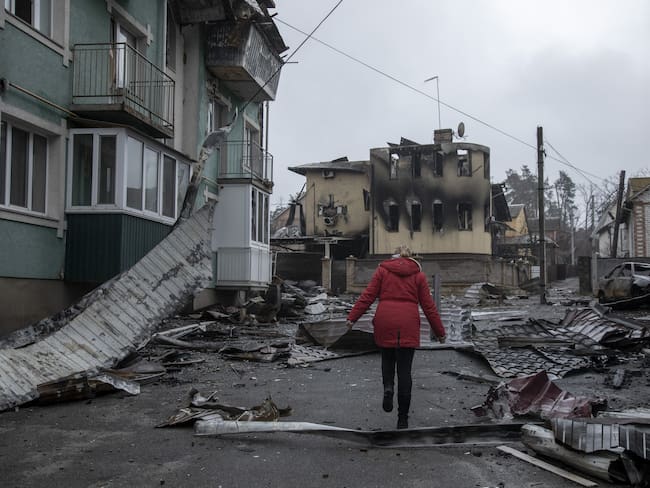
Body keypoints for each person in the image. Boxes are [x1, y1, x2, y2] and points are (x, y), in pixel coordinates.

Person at [345, 245, 446, 429]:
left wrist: (353, 317)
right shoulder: (419, 276)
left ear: (394, 256)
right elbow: (429, 306)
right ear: (412, 257)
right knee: (405, 371)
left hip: (385, 320)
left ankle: (388, 387)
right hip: (408, 322)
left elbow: (367, 296)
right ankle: (402, 420)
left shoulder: (383, 271)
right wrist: (440, 332)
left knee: (387, 359)